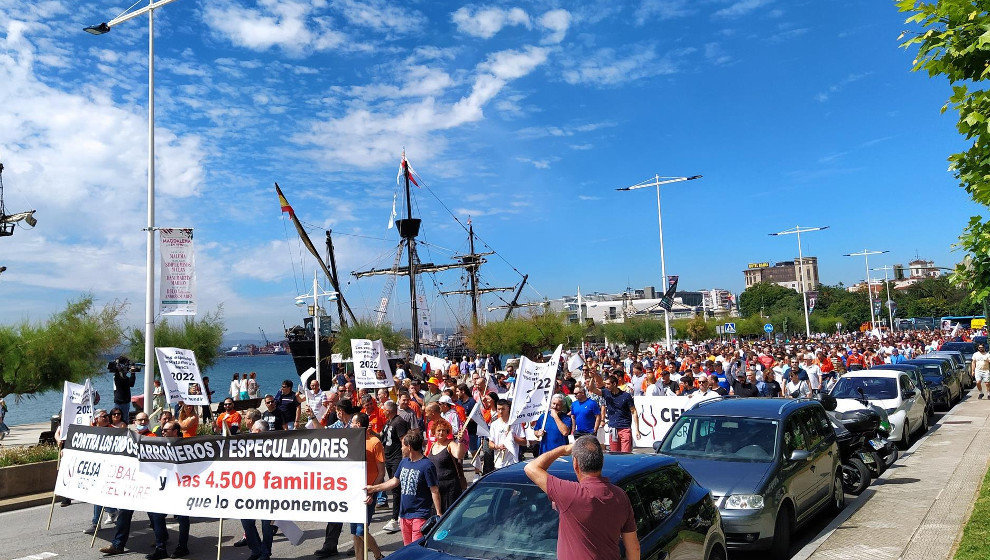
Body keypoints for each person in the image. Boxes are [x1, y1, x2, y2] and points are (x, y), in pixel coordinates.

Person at [523, 436, 640, 560]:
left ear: (575, 464)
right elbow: (634, 548)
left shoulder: (571, 494)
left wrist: (564, 449)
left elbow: (530, 468)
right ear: (602, 462)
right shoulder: (621, 496)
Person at [365, 430, 442, 546]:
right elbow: (394, 482)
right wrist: (373, 488)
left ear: (409, 447)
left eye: (402, 446)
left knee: (416, 549)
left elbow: (434, 490)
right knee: (407, 548)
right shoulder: (404, 462)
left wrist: (439, 513)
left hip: (420, 515)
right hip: (404, 515)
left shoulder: (427, 465)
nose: (401, 449)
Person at [148, 421, 192, 559]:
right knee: (156, 515)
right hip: (165, 487)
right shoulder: (160, 444)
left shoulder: (186, 445)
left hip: (181, 488)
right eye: (163, 429)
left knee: (183, 518)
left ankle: (183, 547)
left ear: (175, 431)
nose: (163, 432)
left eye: (167, 430)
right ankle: (161, 547)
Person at [350, 413, 385, 560]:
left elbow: (381, 472)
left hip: (368, 492)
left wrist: (372, 491)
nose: (350, 425)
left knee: (361, 530)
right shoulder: (351, 440)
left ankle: (378, 555)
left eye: (352, 422)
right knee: (355, 533)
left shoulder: (374, 442)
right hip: (353, 492)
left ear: (358, 425)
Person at [588, 373, 639, 453]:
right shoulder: (606, 393)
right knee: (614, 453)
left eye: (608, 384)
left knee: (626, 454)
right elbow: (592, 389)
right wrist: (592, 377)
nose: (606, 386)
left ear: (614, 384)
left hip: (624, 428)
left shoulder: (626, 396)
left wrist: (637, 430)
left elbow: (634, 411)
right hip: (613, 427)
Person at [380, 401, 409, 533]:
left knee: (397, 488)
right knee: (395, 488)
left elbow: (404, 441)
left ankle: (396, 517)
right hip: (389, 458)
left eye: (384, 409)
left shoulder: (399, 422)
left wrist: (404, 458)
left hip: (397, 458)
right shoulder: (388, 422)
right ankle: (397, 516)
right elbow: (384, 439)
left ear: (389, 410)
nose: (383, 411)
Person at [426, 418, 466, 513]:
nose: (441, 433)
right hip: (436, 487)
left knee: (450, 515)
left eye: (444, 430)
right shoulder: (432, 445)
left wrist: (460, 441)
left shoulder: (451, 444)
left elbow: (459, 455)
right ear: (434, 432)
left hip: (450, 488)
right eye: (439, 430)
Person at [488, 398, 526, 468]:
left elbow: (524, 442)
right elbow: (490, 444)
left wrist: (513, 437)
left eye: (503, 409)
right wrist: (497, 446)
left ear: (508, 408)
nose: (500, 411)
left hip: (513, 462)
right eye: (498, 409)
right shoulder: (494, 424)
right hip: (499, 463)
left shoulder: (516, 423)